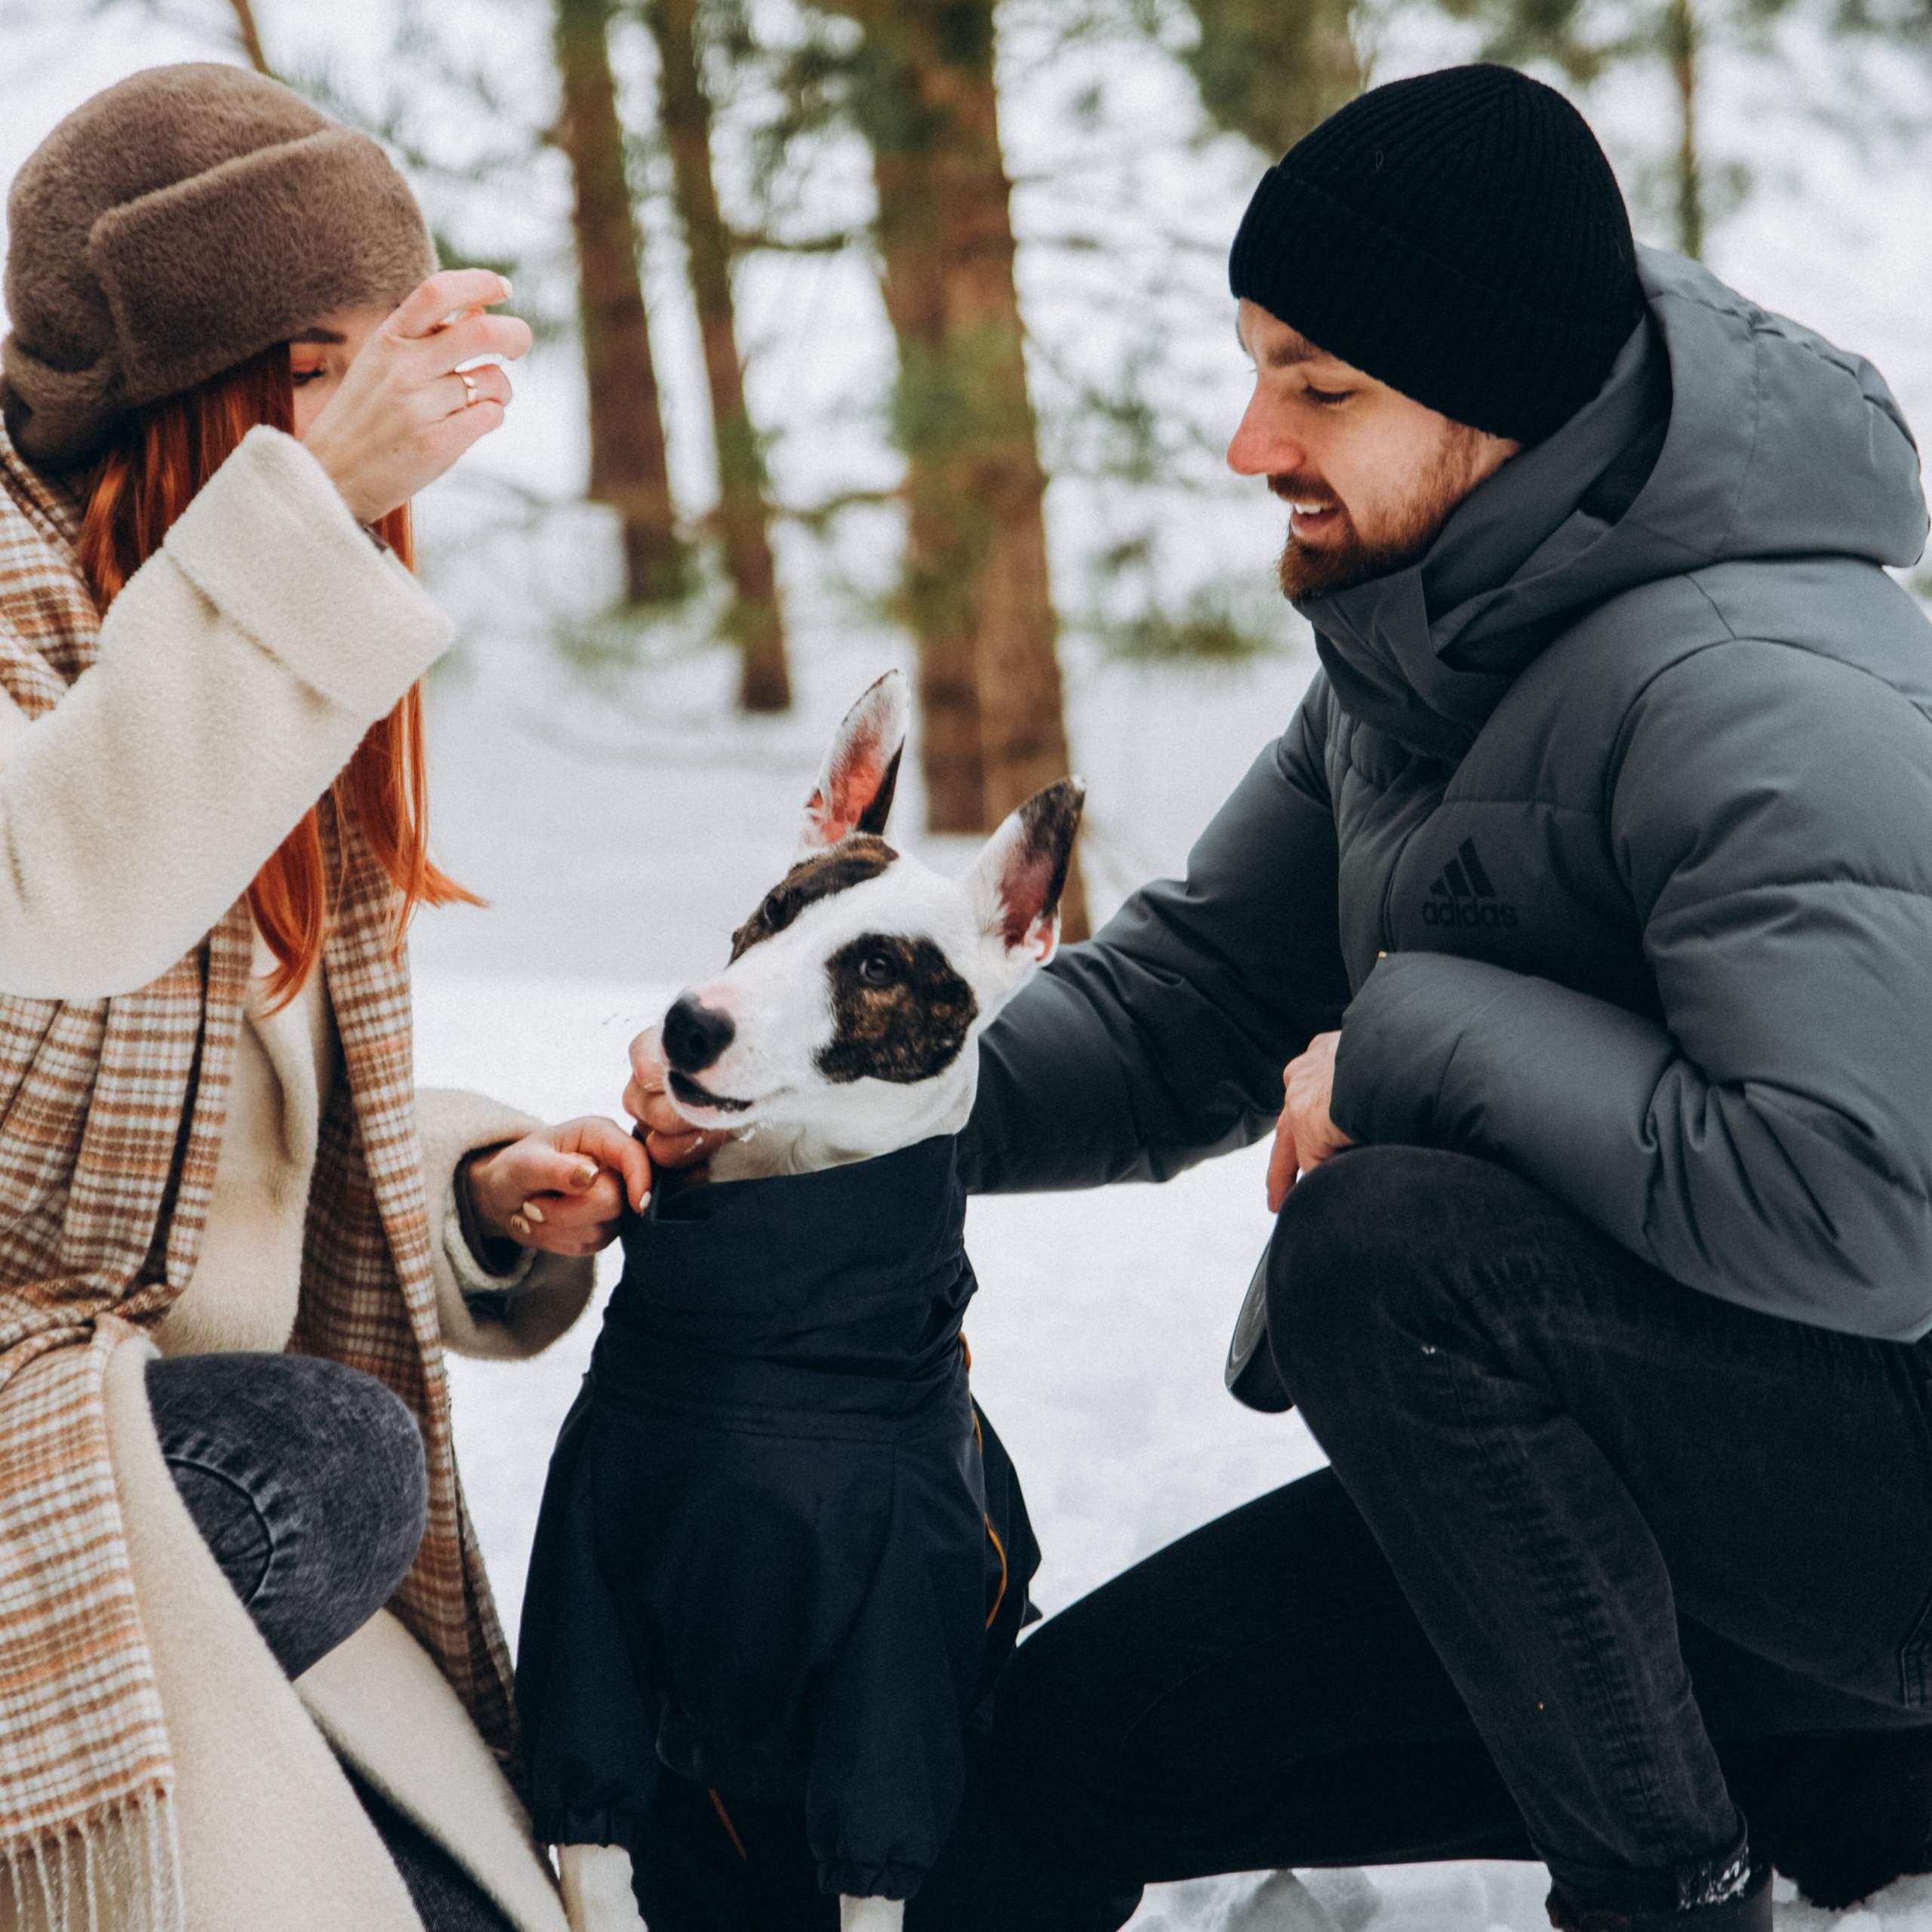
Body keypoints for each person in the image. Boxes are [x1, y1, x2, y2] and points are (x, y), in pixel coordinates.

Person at [632, 61, 1932, 1932]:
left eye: (1317, 386)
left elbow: (1857, 1205)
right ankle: (1826, 1771)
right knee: (1070, 1745)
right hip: (1623, 1515)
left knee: (1387, 1240)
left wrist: (1401, 1044)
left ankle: (1676, 1885)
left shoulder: (1758, 699)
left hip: (1878, 1517)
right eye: (1255, 368)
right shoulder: (1418, 656)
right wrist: (815, 1095)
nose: (1250, 441)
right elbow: (1183, 1007)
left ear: (1496, 398)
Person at [0, 64, 646, 1932]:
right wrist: (307, 519)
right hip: (84, 1426)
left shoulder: (240, 632)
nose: (388, 434)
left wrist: (463, 1186)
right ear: (215, 382)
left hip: (121, 1420)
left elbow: (235, 1121)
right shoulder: (205, 625)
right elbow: (56, 884)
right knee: (324, 1461)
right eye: (331, 368)